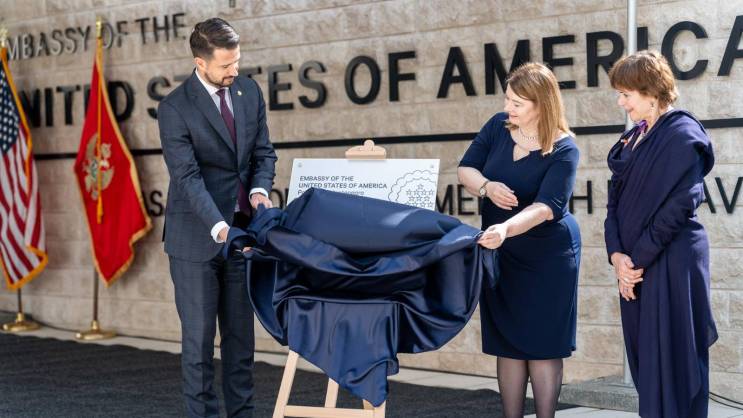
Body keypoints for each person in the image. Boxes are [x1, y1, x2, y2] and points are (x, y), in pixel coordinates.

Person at [157, 18, 277, 418]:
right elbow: (187, 178)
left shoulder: (248, 91)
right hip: (196, 239)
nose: (234, 70)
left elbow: (263, 153)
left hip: (241, 235)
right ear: (200, 62)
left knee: (241, 346)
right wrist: (219, 227)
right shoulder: (174, 108)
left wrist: (259, 190)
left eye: (237, 61)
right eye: (226, 65)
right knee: (199, 346)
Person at [458, 62, 581, 418]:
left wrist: (505, 229)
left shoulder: (564, 149)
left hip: (547, 256)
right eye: (507, 99)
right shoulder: (497, 126)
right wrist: (486, 186)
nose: (508, 107)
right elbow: (466, 168)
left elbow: (546, 207)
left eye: (517, 103)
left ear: (542, 104)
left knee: (543, 345)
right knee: (508, 343)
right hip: (502, 252)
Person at [605, 50, 717, 418]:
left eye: (626, 94)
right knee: (647, 360)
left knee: (674, 358)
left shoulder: (682, 135)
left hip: (672, 262)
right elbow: (613, 203)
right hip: (634, 266)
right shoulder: (634, 137)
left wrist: (635, 262)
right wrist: (617, 256)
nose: (621, 103)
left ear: (651, 92)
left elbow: (680, 205)